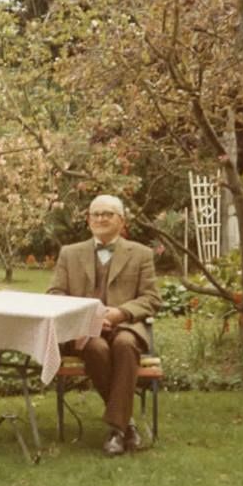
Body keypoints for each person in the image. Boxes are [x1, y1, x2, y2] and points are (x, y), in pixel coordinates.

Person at [47, 194, 161, 456]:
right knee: (96, 348)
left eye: (107, 214)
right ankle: (125, 426)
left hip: (124, 326)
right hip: (84, 332)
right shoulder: (70, 253)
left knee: (125, 344)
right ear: (88, 220)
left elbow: (151, 298)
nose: (100, 218)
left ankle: (116, 429)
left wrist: (119, 314)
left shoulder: (141, 254)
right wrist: (88, 316)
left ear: (121, 221)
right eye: (95, 214)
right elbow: (55, 294)